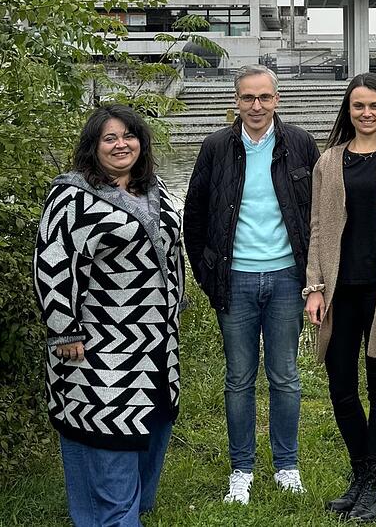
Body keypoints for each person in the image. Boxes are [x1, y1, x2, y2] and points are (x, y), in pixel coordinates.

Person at [33, 104, 185, 526]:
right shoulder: (72, 196)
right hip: (101, 348)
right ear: (93, 147)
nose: (122, 145)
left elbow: (173, 256)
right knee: (107, 438)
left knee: (151, 430)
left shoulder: (155, 189)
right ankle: (114, 517)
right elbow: (52, 265)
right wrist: (64, 332)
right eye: (110, 138)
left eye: (129, 136)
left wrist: (177, 306)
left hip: (156, 346)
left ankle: (125, 512)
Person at [183, 65, 320, 504]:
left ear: (276, 99)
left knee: (285, 377)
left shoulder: (299, 144)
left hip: (285, 279)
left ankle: (287, 465)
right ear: (236, 102)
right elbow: (195, 217)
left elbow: (318, 216)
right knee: (239, 378)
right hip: (235, 279)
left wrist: (312, 279)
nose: (256, 106)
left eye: (264, 97)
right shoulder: (216, 147)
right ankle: (241, 468)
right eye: (248, 98)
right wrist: (209, 277)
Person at [303, 73, 376, 523]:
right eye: (358, 106)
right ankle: (360, 473)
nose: (366, 113)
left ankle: (375, 483)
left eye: (374, 106)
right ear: (347, 111)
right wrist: (314, 287)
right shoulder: (329, 161)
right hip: (339, 292)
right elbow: (317, 228)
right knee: (340, 388)